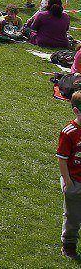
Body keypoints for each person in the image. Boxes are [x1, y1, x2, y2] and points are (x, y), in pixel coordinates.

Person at [57, 91, 81, 259]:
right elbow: (62, 159)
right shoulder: (69, 132)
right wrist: (68, 182)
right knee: (72, 217)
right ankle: (69, 244)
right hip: (75, 181)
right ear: (76, 111)